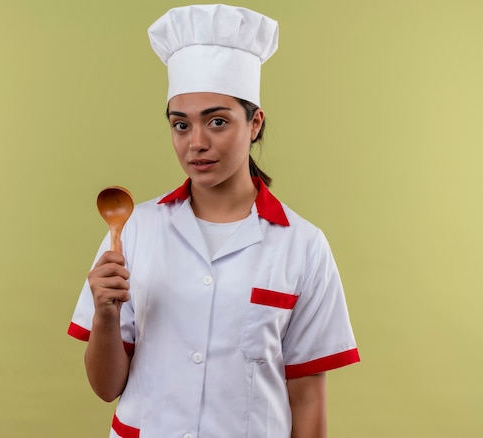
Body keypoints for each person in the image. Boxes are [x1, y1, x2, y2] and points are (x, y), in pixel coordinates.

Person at [68, 4, 359, 438]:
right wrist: (105, 315)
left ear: (255, 122)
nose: (196, 143)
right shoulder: (133, 230)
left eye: (217, 121)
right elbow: (105, 387)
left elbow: (308, 397)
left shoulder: (303, 246)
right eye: (180, 125)